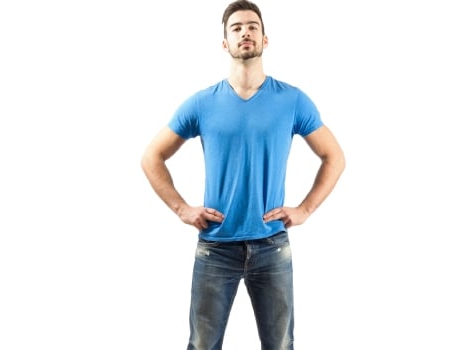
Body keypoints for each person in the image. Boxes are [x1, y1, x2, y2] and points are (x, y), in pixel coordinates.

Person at [140, 1, 345, 349]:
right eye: (236, 28)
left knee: (280, 345)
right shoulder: (202, 103)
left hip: (272, 245)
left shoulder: (293, 101)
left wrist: (305, 210)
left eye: (252, 26)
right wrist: (181, 209)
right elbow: (152, 157)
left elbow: (333, 156)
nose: (245, 32)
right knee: (203, 345)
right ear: (225, 44)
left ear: (265, 39)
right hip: (216, 247)